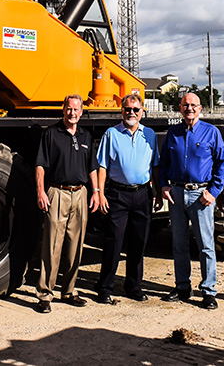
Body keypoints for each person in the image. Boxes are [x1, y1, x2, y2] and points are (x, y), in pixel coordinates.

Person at [156, 92, 224, 309]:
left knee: (206, 245)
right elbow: (163, 162)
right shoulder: (173, 133)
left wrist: (213, 191)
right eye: (185, 105)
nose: (189, 108)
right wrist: (164, 185)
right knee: (179, 244)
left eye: (193, 105)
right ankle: (182, 287)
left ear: (200, 108)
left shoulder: (211, 132)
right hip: (176, 194)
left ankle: (208, 291)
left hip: (201, 195)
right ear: (180, 108)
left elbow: (222, 164)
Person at [34, 94, 100, 313]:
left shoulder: (86, 136)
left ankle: (69, 291)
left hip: (80, 193)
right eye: (69, 109)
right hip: (57, 193)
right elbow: (41, 165)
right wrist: (41, 192)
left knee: (75, 246)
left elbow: (92, 167)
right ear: (63, 110)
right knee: (52, 245)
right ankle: (45, 294)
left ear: (82, 112)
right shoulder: (51, 134)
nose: (72, 113)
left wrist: (95, 192)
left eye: (76, 110)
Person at [94, 93, 158, 304]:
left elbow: (154, 166)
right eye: (127, 109)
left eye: (135, 109)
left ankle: (133, 286)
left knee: (138, 243)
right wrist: (101, 193)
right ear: (122, 111)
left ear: (142, 112)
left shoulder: (149, 135)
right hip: (117, 194)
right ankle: (104, 287)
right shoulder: (111, 134)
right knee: (114, 242)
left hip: (142, 195)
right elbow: (102, 166)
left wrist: (156, 191)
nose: (131, 113)